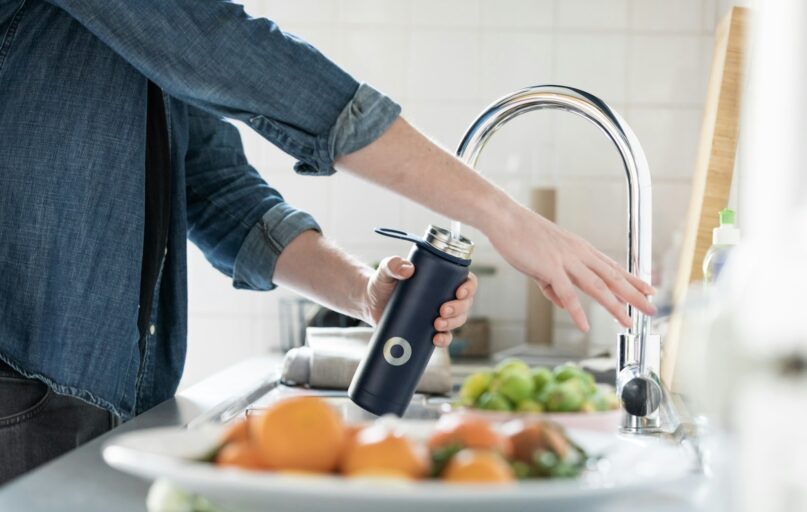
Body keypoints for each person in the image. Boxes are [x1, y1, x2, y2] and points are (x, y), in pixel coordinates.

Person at [0, 1, 655, 484]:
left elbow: (217, 191)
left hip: (102, 400)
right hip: (17, 388)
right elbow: (234, 53)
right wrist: (500, 215)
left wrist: (364, 292)